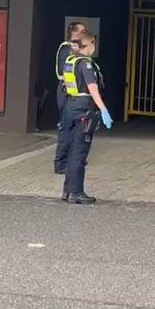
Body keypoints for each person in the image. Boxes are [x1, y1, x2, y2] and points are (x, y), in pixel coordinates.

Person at [60, 31, 113, 204]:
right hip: (84, 108)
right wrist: (103, 109)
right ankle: (76, 192)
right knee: (80, 151)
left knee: (72, 149)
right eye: (93, 43)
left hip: (70, 106)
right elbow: (93, 88)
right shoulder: (85, 64)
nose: (94, 47)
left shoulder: (70, 61)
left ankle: (67, 191)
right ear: (89, 43)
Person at [53, 21, 87, 174]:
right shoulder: (66, 49)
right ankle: (61, 164)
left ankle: (71, 160)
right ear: (74, 33)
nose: (85, 33)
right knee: (66, 128)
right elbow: (65, 73)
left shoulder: (77, 49)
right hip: (67, 93)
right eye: (83, 31)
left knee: (75, 128)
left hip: (74, 95)